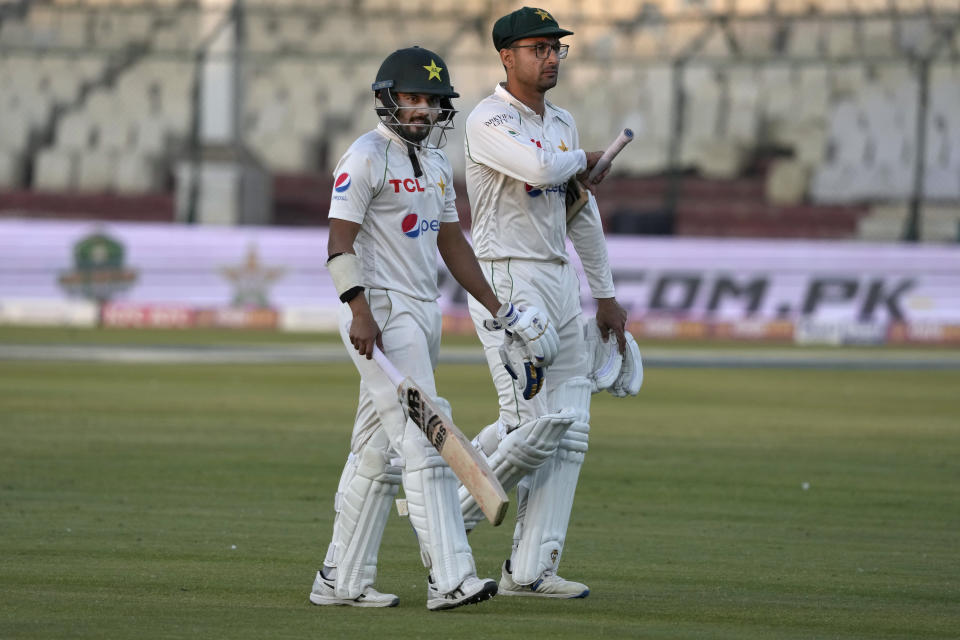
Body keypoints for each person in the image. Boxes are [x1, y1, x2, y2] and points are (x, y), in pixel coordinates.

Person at [309, 45, 557, 611]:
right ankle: (450, 578)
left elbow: (452, 246)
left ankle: (340, 579)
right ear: (387, 100)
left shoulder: (439, 164)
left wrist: (501, 309)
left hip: (420, 312)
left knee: (378, 449)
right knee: (427, 437)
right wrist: (358, 309)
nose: (422, 109)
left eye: (432, 100)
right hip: (378, 313)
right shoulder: (365, 155)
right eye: (412, 98)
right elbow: (338, 243)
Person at [458, 7, 642, 599]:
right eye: (539, 48)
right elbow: (539, 168)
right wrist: (582, 160)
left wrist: (605, 297)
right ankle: (445, 511)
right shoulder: (487, 120)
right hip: (506, 281)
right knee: (530, 426)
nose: (551, 57)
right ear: (506, 57)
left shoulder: (560, 122)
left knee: (572, 431)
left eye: (557, 48)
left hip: (559, 282)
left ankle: (531, 570)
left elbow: (579, 215)